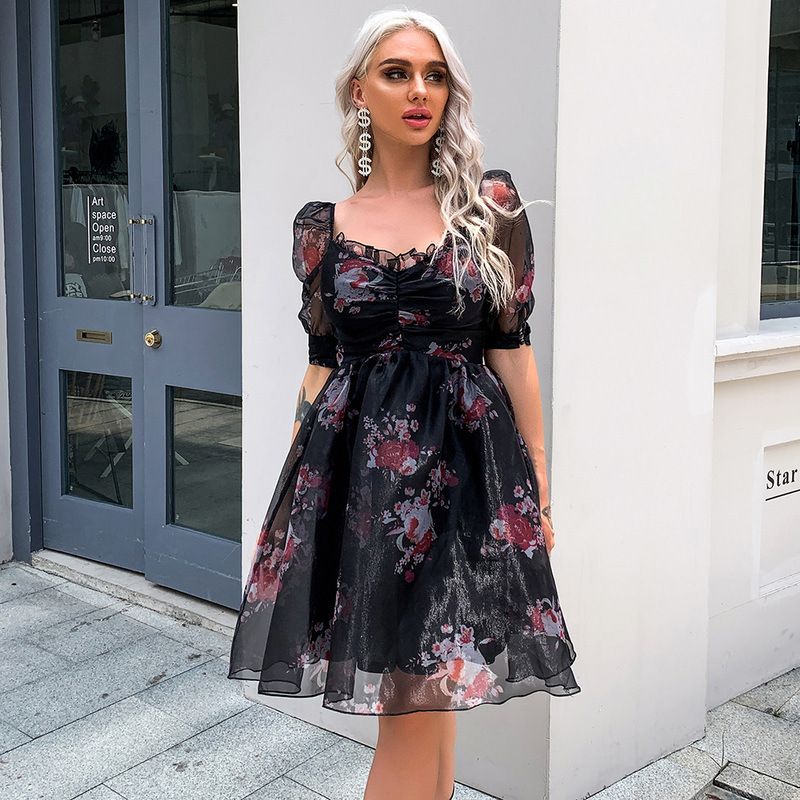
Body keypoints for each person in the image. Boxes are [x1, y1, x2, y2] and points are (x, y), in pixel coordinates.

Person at [228, 8, 581, 800]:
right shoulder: (323, 230)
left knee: (424, 691)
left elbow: (512, 349)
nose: (420, 90)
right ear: (360, 91)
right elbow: (320, 370)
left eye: (434, 75)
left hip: (464, 479)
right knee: (417, 694)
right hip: (365, 488)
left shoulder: (489, 207)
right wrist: (290, 501)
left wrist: (539, 480)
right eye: (397, 73)